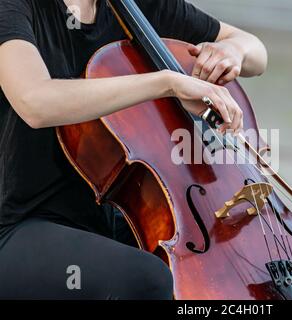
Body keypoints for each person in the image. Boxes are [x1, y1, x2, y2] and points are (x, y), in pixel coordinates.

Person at [0, 0, 267, 299]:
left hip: (117, 212)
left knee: (223, 272)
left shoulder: (133, 7)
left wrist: (233, 51)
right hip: (21, 222)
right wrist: (167, 83)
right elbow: (35, 101)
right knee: (147, 279)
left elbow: (257, 54)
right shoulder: (14, 7)